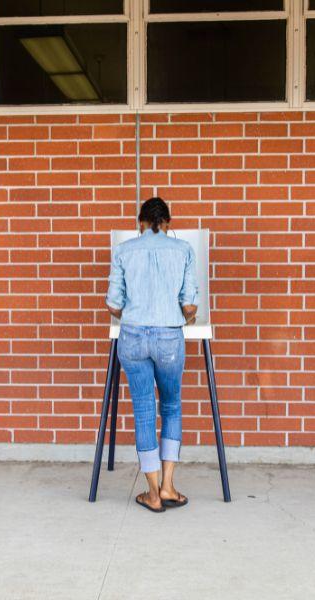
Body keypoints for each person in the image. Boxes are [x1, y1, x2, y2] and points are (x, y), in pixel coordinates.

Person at [105, 197, 198, 513]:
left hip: (132, 337)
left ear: (141, 223)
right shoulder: (183, 249)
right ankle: (169, 486)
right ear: (167, 224)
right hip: (169, 338)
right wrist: (184, 317)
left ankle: (152, 493)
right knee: (171, 405)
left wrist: (135, 313)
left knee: (144, 409)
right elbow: (189, 306)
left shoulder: (124, 250)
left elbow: (113, 304)